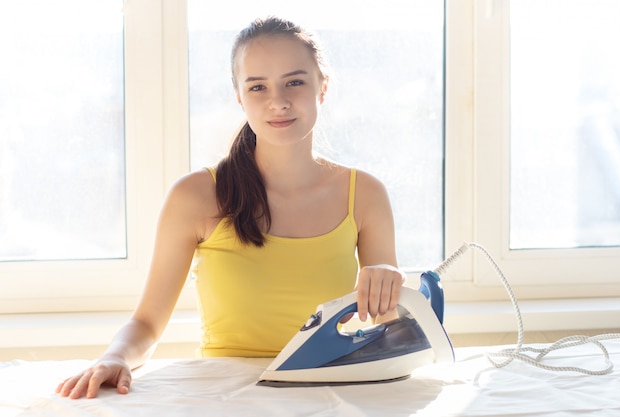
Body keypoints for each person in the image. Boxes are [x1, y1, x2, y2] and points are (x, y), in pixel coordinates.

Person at [56, 16, 405, 399]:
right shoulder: (196, 196)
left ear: (323, 87)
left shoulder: (365, 194)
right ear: (239, 96)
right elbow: (147, 323)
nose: (278, 101)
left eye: (295, 82)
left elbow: (386, 326)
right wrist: (115, 357)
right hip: (225, 395)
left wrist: (392, 286)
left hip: (329, 391)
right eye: (258, 86)